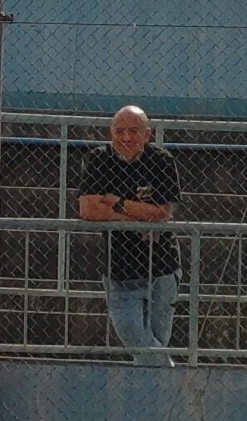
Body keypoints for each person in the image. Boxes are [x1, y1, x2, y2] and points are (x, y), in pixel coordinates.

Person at [77, 105, 180, 367]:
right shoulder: (99, 159)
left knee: (157, 340)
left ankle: (156, 386)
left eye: (134, 131)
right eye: (120, 131)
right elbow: (88, 209)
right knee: (134, 336)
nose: (126, 138)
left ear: (147, 135)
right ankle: (170, 377)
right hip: (120, 267)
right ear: (111, 133)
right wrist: (137, 217)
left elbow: (162, 213)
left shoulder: (162, 161)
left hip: (162, 264)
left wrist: (117, 202)